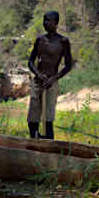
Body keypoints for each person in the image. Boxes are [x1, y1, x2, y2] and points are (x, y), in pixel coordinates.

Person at [27, 11, 73, 140]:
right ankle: (35, 141)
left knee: (48, 120)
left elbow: (68, 65)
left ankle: (48, 147)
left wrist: (54, 79)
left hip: (51, 83)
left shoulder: (63, 41)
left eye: (48, 20)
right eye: (44, 20)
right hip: (38, 82)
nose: (45, 23)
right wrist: (38, 74)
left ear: (56, 23)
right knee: (32, 120)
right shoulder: (40, 40)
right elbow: (30, 62)